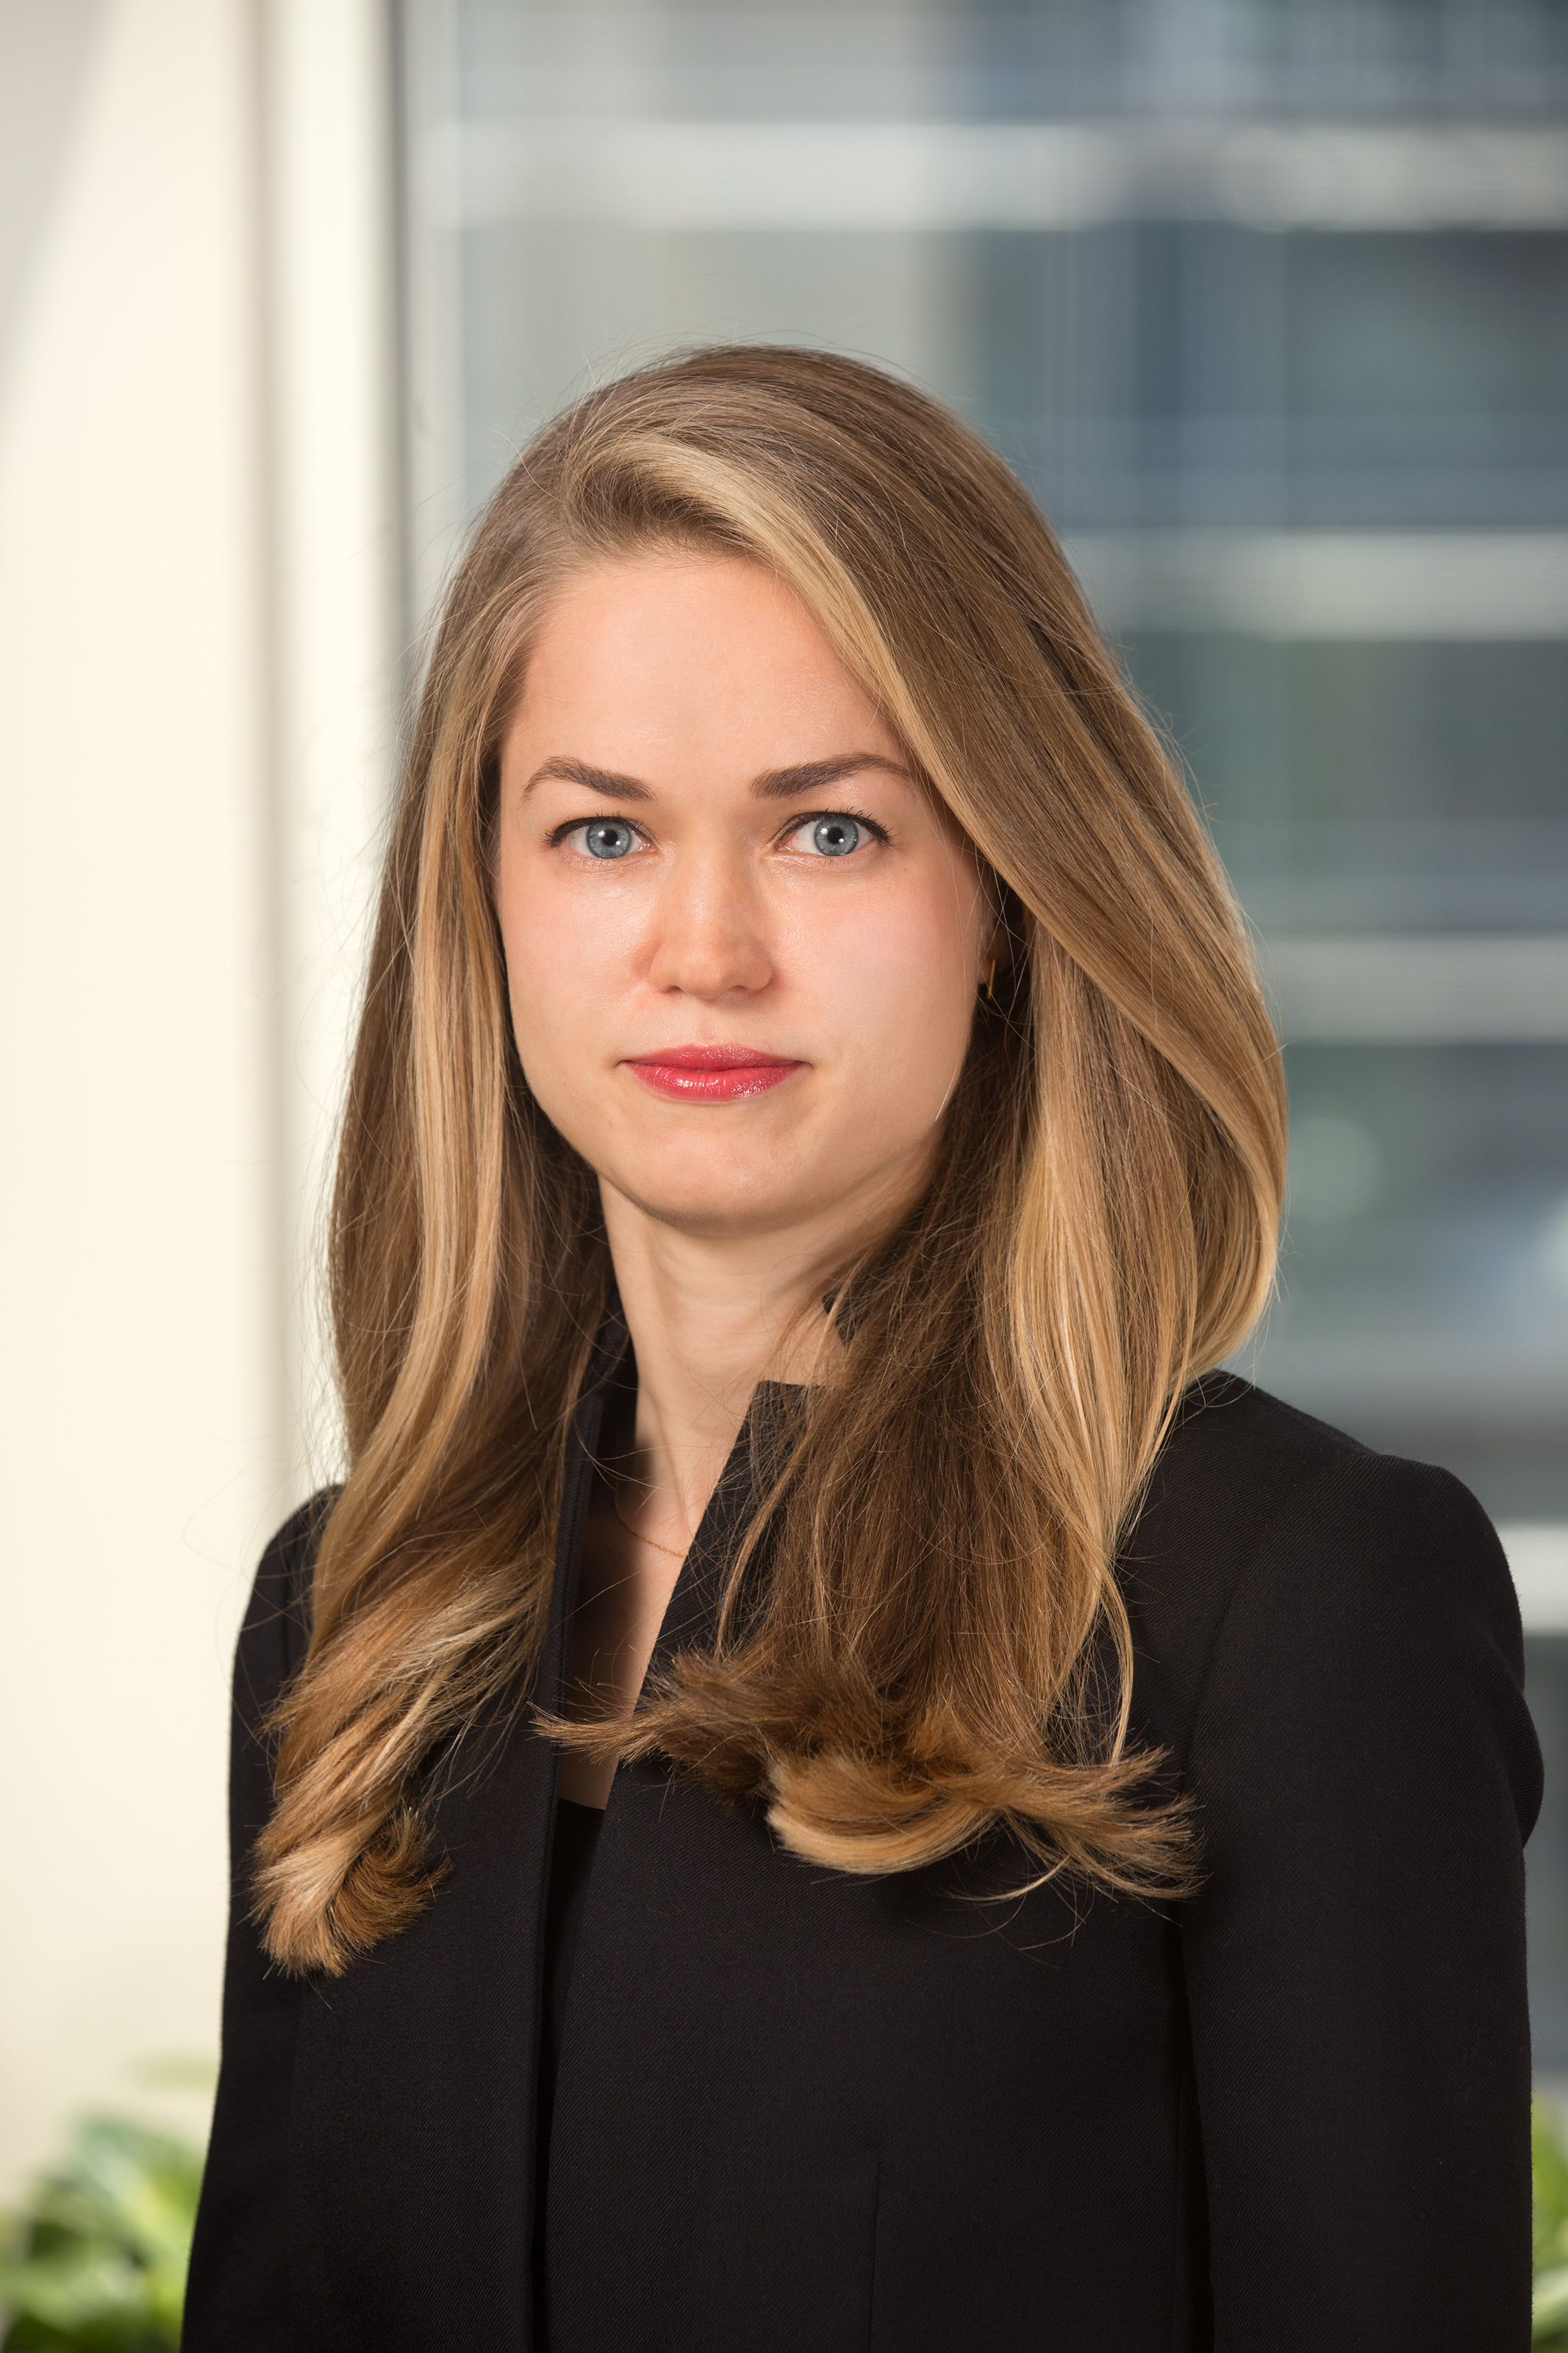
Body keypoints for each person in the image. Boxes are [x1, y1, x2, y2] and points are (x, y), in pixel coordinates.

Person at [183, 346, 1541, 2353]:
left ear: (1010, 893)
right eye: (602, 835)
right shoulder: (354, 1617)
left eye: (828, 832)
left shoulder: (1298, 1608)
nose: (704, 950)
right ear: (485, 903)